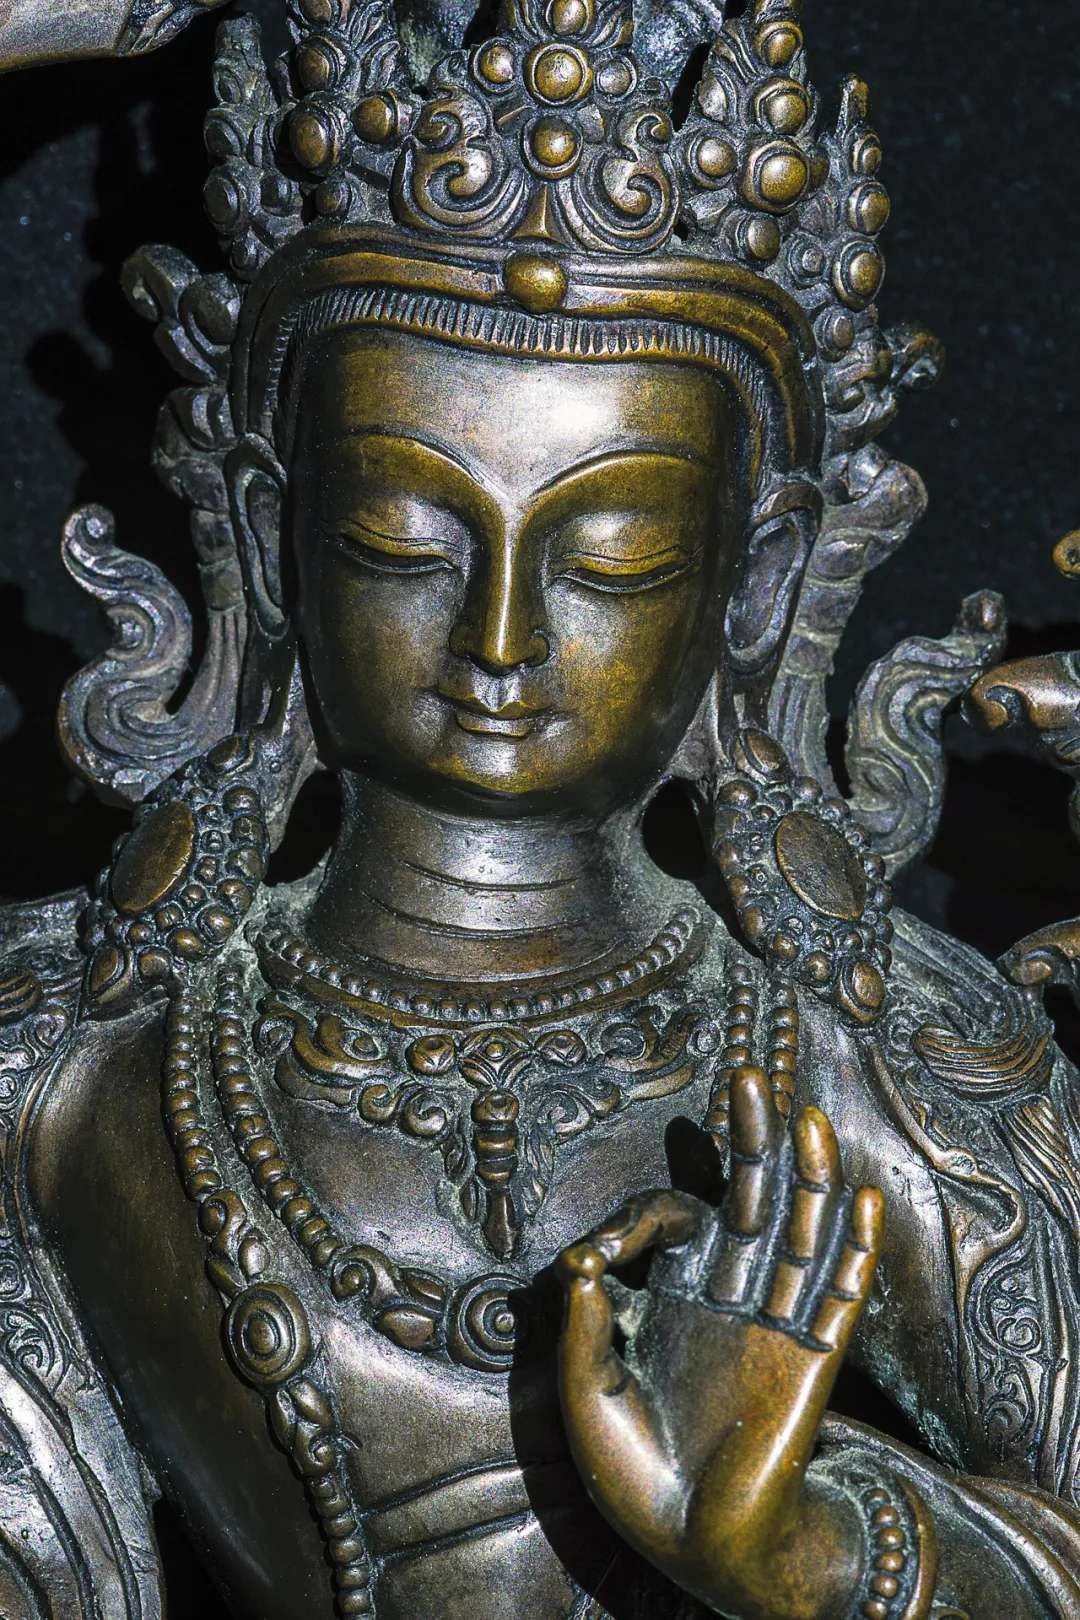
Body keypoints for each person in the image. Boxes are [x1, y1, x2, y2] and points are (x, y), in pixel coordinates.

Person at [3, 1, 1080, 1615]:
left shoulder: (884, 1063)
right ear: (271, 529)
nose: (499, 636)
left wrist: (804, 1549)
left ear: (756, 576)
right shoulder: (65, 1064)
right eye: (404, 540)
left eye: (612, 559)